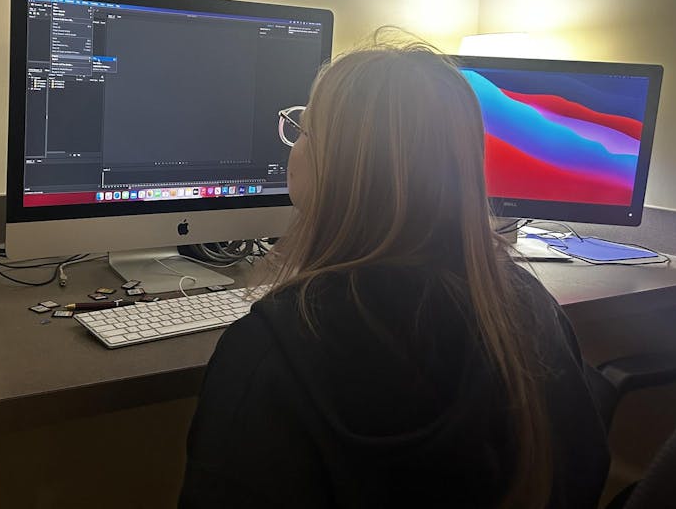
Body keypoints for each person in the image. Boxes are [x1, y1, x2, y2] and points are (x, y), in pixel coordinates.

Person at [179, 33, 610, 508]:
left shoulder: (269, 350)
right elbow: (584, 471)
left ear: (337, 168)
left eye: (304, 129)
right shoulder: (529, 308)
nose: (295, 144)